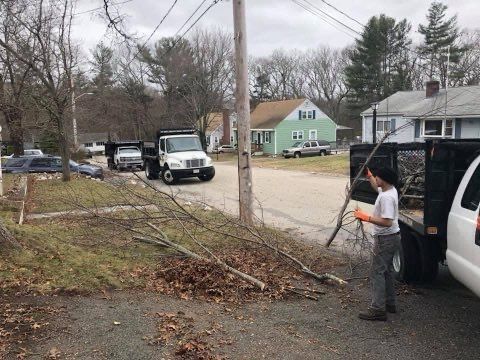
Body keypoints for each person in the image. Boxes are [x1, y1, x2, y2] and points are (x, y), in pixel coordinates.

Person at [354, 166, 401, 321]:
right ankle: (390, 304)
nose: (376, 179)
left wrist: (365, 217)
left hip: (385, 239)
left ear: (384, 179)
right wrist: (369, 176)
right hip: (392, 237)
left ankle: (378, 309)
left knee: (377, 272)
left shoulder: (387, 198)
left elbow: (387, 222)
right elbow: (377, 188)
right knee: (386, 271)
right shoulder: (389, 190)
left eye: (377, 177)